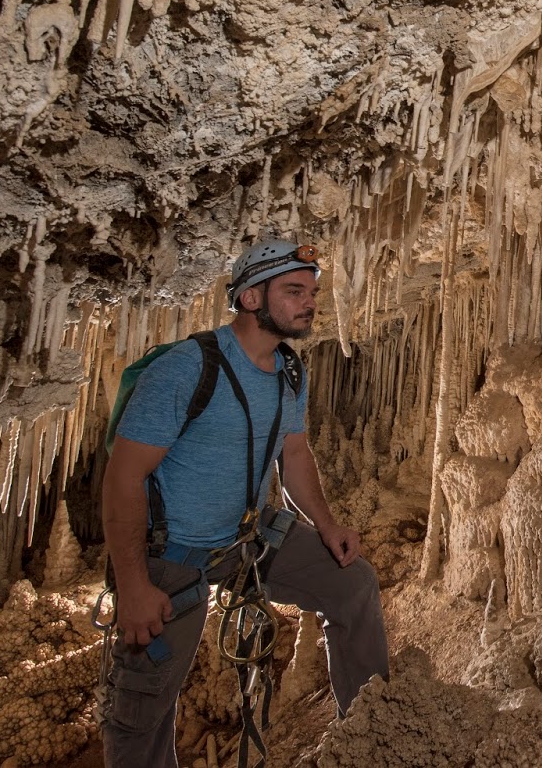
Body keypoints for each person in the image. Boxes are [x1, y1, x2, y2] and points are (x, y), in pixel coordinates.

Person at [100, 238, 389, 768]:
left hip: (247, 539)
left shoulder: (289, 372)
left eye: (313, 292)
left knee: (352, 582)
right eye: (294, 291)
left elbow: (295, 455)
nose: (310, 303)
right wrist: (134, 585)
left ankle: (373, 733)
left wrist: (325, 525)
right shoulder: (187, 370)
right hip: (171, 552)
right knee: (146, 703)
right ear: (252, 298)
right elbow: (123, 479)